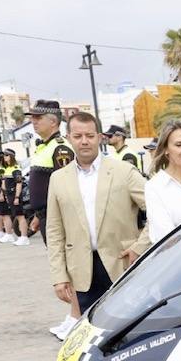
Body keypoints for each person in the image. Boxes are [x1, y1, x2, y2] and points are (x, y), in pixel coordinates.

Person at [46, 112, 148, 328]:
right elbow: (55, 231)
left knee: (127, 330)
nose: (84, 141)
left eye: (90, 135)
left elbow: (156, 211)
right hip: (82, 269)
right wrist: (59, 275)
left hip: (122, 264)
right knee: (90, 332)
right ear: (69, 137)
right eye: (78, 135)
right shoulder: (58, 179)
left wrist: (140, 247)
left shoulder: (124, 171)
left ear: (100, 137)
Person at [26, 100, 76, 337]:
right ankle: (74, 315)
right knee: (63, 268)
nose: (33, 121)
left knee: (71, 268)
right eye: (32, 117)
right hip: (46, 216)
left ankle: (77, 317)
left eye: (38, 118)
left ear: (54, 121)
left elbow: (66, 186)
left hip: (60, 218)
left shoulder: (61, 148)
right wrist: (38, 216)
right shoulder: (42, 147)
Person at [1, 149, 27, 246]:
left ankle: (24, 237)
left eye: (7, 155)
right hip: (10, 195)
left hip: (15, 195)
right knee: (16, 215)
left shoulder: (16, 168)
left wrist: (17, 197)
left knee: (20, 216)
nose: (5, 157)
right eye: (4, 156)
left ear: (11, 156)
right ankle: (18, 237)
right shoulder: (7, 168)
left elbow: (19, 184)